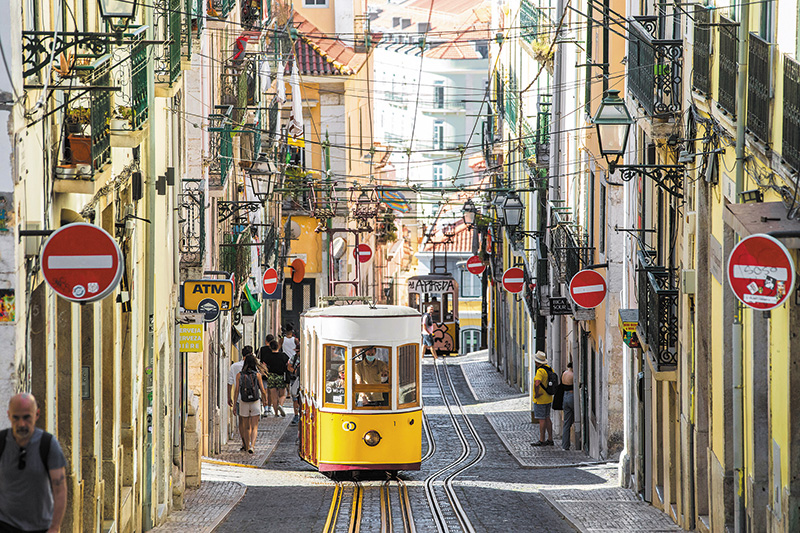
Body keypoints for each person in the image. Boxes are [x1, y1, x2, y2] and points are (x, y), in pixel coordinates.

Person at [0, 393, 67, 532]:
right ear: (9, 415)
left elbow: (60, 489)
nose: (21, 424)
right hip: (5, 525)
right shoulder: (1, 442)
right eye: (16, 418)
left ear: (36, 415)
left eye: (26, 417)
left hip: (40, 527)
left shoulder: (48, 445)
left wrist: (54, 527)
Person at [233, 355, 269, 453]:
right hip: (255, 401)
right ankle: (252, 446)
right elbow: (262, 389)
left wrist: (234, 404)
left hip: (243, 401)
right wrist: (265, 400)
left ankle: (246, 446)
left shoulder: (239, 375)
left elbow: (236, 391)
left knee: (246, 426)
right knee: (254, 426)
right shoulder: (257, 375)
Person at [227, 345, 252, 451]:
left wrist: (229, 397)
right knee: (250, 422)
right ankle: (249, 442)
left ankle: (244, 443)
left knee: (241, 422)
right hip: (252, 397)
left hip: (239, 398)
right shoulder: (254, 366)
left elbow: (230, 383)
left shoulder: (235, 366)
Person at [531, 351, 554, 446]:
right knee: (547, 417)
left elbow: (537, 383)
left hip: (540, 399)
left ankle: (542, 440)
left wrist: (536, 393)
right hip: (548, 398)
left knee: (542, 419)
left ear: (537, 362)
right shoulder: (549, 369)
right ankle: (550, 438)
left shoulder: (540, 371)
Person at [262, 339, 289, 417]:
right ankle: (280, 405)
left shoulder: (268, 356)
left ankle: (276, 413)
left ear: (270, 347)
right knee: (282, 394)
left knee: (274, 396)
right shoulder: (283, 356)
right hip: (280, 376)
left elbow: (264, 366)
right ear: (278, 347)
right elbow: (287, 364)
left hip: (271, 377)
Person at [561, 362, 575, 450]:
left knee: (566, 423)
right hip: (572, 396)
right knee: (577, 419)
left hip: (564, 396)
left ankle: (565, 445)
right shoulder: (573, 375)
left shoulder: (564, 374)